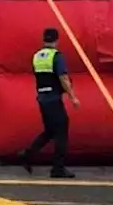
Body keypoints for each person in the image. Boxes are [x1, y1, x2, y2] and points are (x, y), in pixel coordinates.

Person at [19, 28, 79, 178]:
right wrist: (73, 97)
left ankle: (28, 154)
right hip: (53, 98)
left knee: (50, 131)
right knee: (61, 132)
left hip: (42, 98)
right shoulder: (57, 56)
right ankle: (58, 168)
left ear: (43, 39)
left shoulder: (37, 56)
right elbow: (63, 77)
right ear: (57, 40)